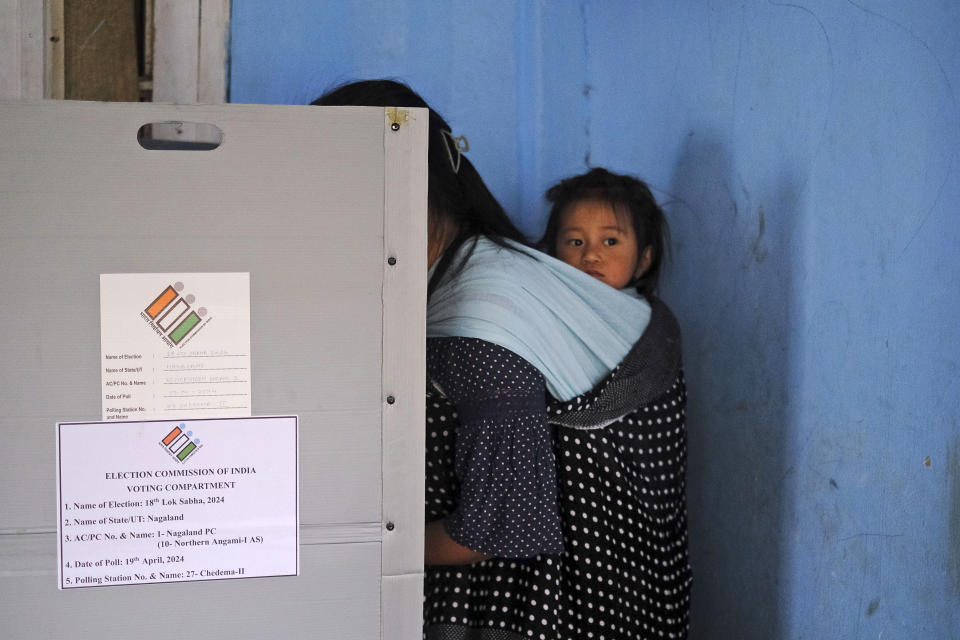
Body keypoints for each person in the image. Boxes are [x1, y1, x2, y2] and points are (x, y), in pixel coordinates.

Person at [313, 81, 690, 639]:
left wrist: (331, 547)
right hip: (641, 594)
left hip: (559, 610)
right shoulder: (482, 272)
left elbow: (494, 529)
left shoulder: (479, 318)